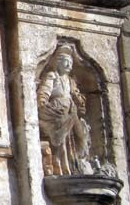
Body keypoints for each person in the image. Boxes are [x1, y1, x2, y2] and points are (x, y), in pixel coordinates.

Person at [37, 44, 91, 175]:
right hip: (58, 110)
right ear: (58, 62)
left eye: (71, 63)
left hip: (70, 111)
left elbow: (76, 94)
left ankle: (76, 163)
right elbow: (44, 91)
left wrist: (79, 100)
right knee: (61, 140)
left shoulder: (70, 80)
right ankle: (61, 167)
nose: (69, 66)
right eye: (66, 62)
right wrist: (43, 103)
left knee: (80, 136)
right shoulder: (52, 76)